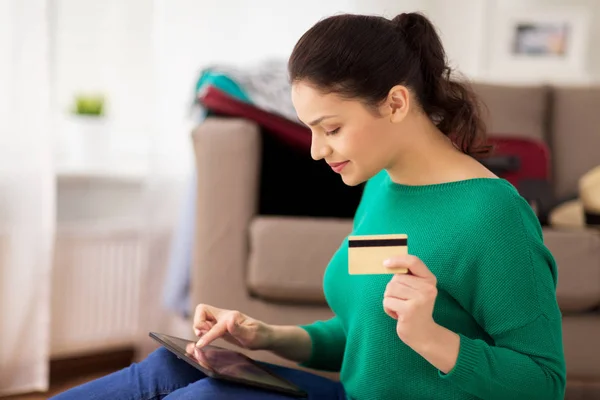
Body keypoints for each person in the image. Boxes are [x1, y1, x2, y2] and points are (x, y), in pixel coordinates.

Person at [51, 11, 566, 400]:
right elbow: (365, 331)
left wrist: (430, 337)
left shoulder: (492, 216)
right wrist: (267, 336)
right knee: (164, 370)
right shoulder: (383, 186)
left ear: (395, 103)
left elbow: (545, 381)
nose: (318, 151)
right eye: (312, 130)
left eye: (333, 129)